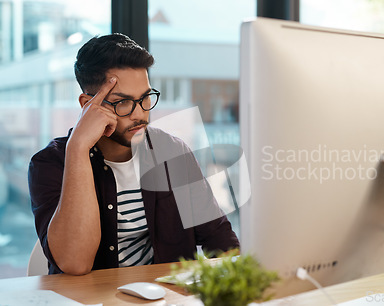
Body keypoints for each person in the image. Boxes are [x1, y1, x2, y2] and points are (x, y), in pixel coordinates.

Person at [28, 33, 239, 275]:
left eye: (145, 98)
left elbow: (218, 238)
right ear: (88, 104)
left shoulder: (172, 151)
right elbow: (75, 263)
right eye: (123, 103)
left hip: (166, 297)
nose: (140, 114)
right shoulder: (49, 163)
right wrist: (78, 149)